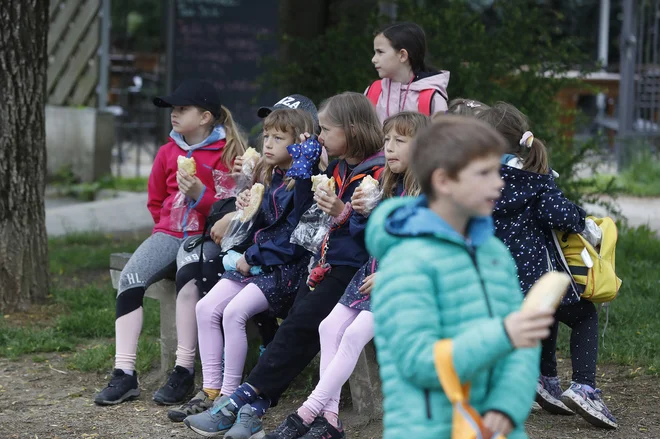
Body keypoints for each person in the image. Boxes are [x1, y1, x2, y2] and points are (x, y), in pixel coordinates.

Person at [183, 92, 385, 438]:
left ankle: (241, 401)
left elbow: (374, 234)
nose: (320, 137)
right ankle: (253, 406)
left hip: (356, 270)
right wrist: (305, 173)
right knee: (298, 325)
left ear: (351, 130)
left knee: (301, 326)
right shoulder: (339, 166)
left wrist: (343, 212)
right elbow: (306, 217)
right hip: (325, 264)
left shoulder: (378, 172)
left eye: (327, 130)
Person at [366, 115, 554, 439]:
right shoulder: (406, 261)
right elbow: (418, 361)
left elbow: (523, 344)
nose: (499, 183)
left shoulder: (494, 251)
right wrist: (504, 334)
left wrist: (506, 407)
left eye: (497, 170)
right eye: (484, 173)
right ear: (443, 181)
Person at [268, 112, 429, 439]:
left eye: (400, 141)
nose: (390, 148)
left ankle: (306, 413)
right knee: (328, 327)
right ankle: (329, 419)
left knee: (353, 335)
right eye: (387, 141)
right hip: (370, 272)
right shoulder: (387, 183)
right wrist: (360, 213)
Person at [94, 79, 247, 406]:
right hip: (168, 233)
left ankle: (183, 369)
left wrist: (198, 196)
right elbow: (155, 201)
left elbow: (234, 211)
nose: (174, 115)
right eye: (172, 109)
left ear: (205, 117)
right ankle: (124, 373)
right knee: (131, 277)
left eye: (181, 109)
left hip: (206, 238)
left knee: (188, 276)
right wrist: (167, 229)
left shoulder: (229, 153)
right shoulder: (167, 152)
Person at [169, 95, 321, 408]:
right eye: (267, 136)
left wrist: (250, 258)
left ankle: (228, 393)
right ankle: (209, 389)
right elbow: (266, 222)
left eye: (279, 138)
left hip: (282, 272)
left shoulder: (305, 181)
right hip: (254, 262)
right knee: (206, 308)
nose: (268, 143)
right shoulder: (273, 175)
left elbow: (294, 239)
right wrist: (247, 209)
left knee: (234, 313)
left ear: (301, 143)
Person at [478, 103, 618, 429]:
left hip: (493, 279)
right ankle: (583, 386)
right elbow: (560, 214)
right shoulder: (533, 180)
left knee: (550, 314)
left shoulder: (477, 180)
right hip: (534, 277)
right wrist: (586, 225)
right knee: (583, 314)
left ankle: (546, 378)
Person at [366, 22, 449, 122]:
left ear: (402, 55)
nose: (374, 59)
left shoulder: (432, 99)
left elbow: (442, 136)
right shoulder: (372, 92)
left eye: (380, 52)